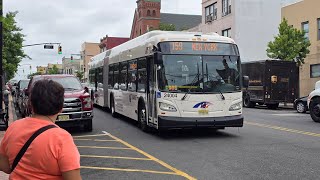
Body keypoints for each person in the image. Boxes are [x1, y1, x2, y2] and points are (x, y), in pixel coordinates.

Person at [0, 79, 81, 180]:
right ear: (61, 108)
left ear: (31, 105)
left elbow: (5, 166)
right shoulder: (62, 139)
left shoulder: (13, 127)